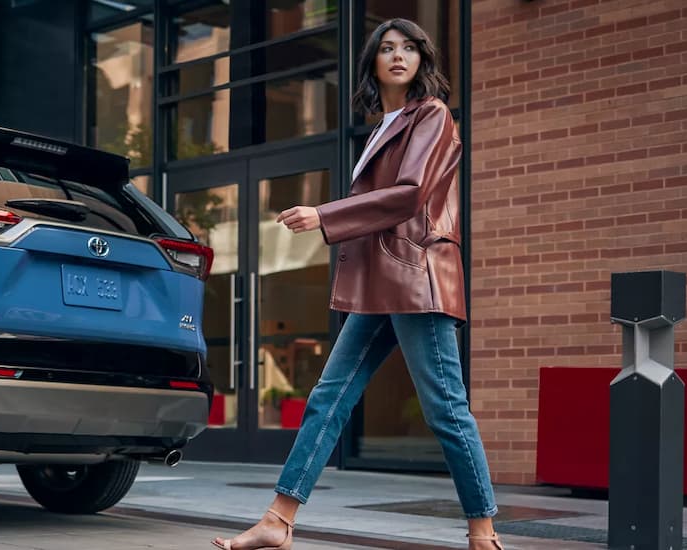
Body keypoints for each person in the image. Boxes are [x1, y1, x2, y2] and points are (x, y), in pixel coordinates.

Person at [211, 18, 501, 550]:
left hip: (417, 280)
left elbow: (410, 194)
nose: (398, 56)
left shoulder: (431, 115)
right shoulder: (382, 126)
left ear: (422, 60)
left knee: (444, 408)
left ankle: (483, 532)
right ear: (371, 62)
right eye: (386, 48)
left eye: (409, 48)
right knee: (328, 399)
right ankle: (278, 520)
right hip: (378, 284)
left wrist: (324, 214)